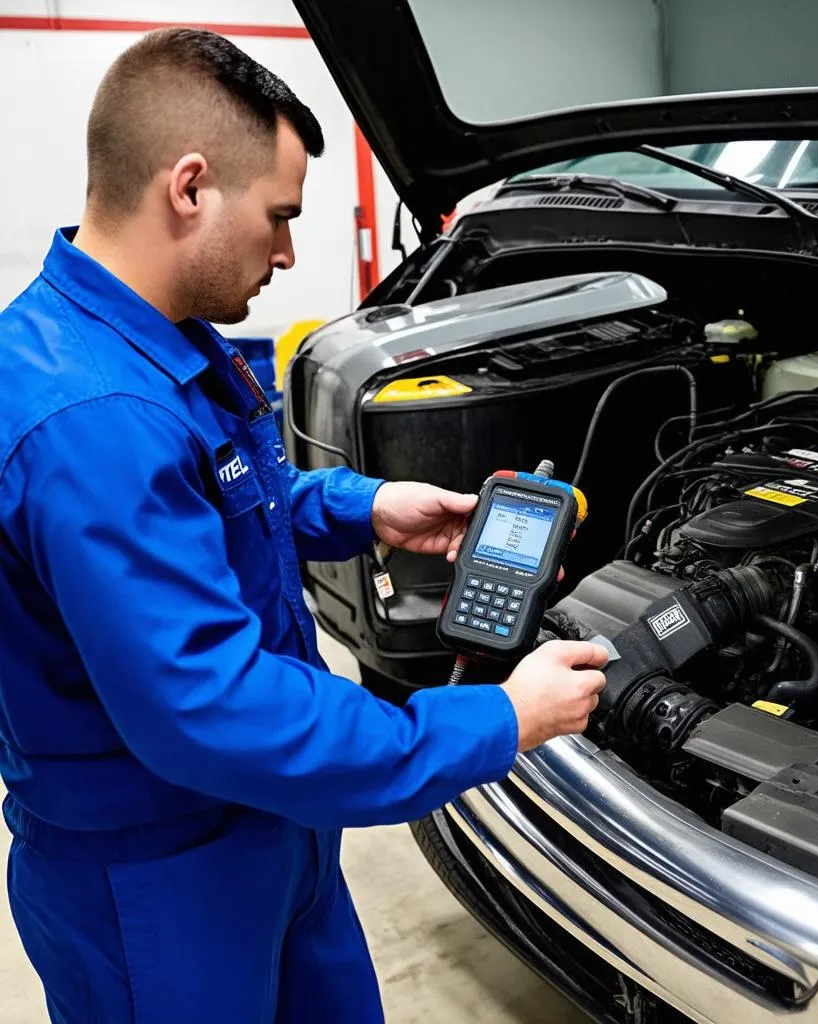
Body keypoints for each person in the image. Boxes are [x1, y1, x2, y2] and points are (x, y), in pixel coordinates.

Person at [0, 27, 608, 1023]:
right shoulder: (94, 420)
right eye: (279, 217)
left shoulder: (151, 344)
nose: (288, 252)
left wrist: (368, 510)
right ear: (188, 187)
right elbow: (216, 707)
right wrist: (496, 720)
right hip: (163, 874)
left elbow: (229, 501)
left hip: (268, 822)